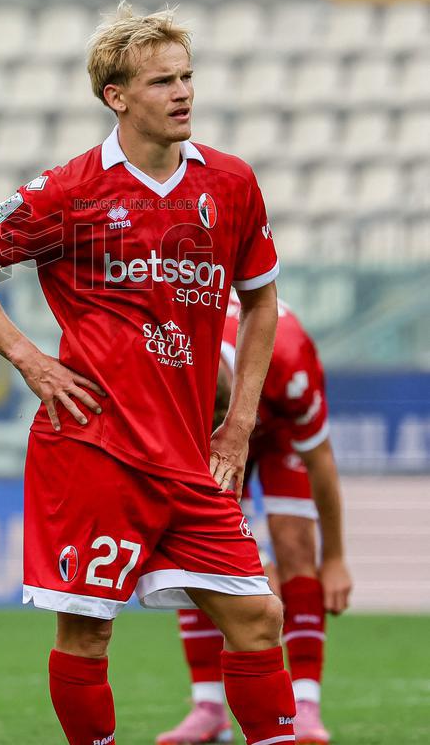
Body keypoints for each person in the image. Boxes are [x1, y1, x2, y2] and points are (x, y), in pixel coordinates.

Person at [0, 1, 294, 745]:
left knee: (258, 618)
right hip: (94, 450)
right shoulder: (70, 191)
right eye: (162, 82)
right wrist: (29, 357)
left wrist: (240, 423)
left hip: (190, 453)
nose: (184, 92)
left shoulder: (229, 184)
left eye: (188, 76)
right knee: (88, 636)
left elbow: (261, 304)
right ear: (116, 97)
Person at [157, 292, 352, 745]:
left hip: (278, 433)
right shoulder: (172, 356)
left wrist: (336, 557)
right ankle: (208, 707)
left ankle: (305, 704)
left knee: (294, 543)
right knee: (200, 549)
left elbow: (320, 459)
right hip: (207, 413)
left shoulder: (288, 360)